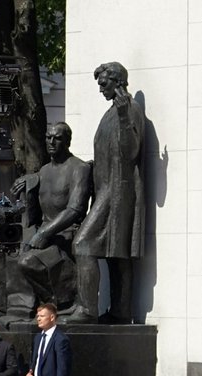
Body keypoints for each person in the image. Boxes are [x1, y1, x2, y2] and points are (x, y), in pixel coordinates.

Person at [68, 61, 145, 324]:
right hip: (105, 187)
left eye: (104, 83)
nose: (101, 88)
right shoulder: (112, 111)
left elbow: (130, 151)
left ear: (117, 81)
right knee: (116, 254)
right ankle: (121, 310)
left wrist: (124, 117)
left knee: (83, 244)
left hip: (118, 191)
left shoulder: (128, 110)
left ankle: (87, 309)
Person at [13, 122, 92, 311]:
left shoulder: (79, 168)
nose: (51, 142)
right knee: (8, 258)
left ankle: (61, 302)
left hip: (66, 236)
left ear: (67, 141)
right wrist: (28, 183)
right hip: (46, 236)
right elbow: (35, 211)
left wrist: (44, 233)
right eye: (48, 137)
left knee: (27, 261)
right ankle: (33, 307)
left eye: (57, 138)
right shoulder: (44, 170)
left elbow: (76, 209)